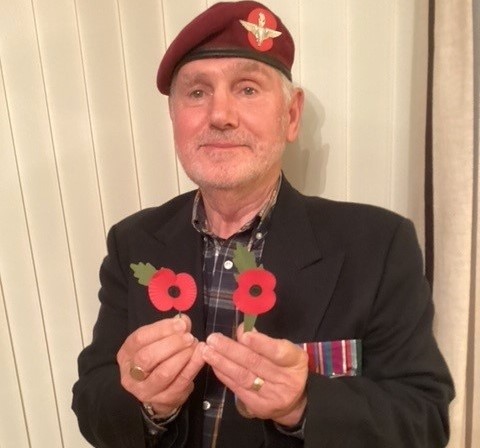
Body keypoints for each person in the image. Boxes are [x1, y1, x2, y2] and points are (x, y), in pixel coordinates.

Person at [72, 2, 454, 447]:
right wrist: (148, 404)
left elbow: (425, 421)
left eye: (248, 89)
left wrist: (303, 404)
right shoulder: (132, 242)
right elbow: (92, 402)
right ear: (174, 118)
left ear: (291, 116)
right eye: (197, 93)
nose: (220, 115)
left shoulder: (380, 245)